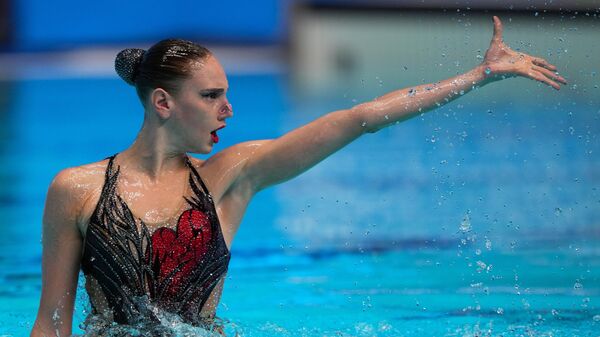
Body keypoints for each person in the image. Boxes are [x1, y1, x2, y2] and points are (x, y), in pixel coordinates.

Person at [30, 16, 566, 336]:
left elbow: (356, 119)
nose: (228, 110)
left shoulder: (231, 177)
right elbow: (51, 323)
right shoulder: (76, 190)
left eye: (227, 94)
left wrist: (477, 76)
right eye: (211, 96)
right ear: (164, 102)